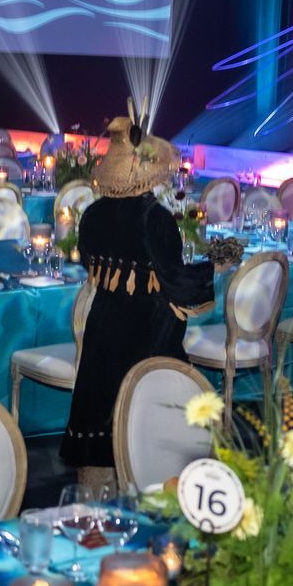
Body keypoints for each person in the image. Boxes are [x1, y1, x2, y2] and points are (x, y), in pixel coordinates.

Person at [61, 112, 215, 488]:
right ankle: (149, 481)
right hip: (147, 327)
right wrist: (214, 269)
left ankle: (95, 495)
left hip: (104, 320)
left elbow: (89, 263)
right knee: (144, 405)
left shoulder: (92, 215)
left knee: (99, 401)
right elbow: (174, 278)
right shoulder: (155, 217)